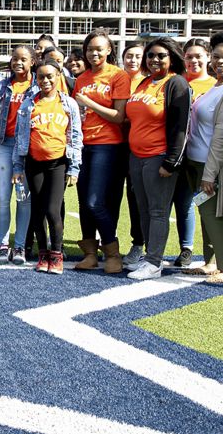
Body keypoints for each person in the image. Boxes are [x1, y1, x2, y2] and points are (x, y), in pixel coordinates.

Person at [184, 30, 223, 283]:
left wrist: (209, 174)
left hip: (219, 164)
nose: (220, 62)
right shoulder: (217, 84)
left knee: (215, 214)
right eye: (216, 57)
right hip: (199, 160)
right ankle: (211, 262)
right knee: (205, 211)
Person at [124, 37, 191, 280]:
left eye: (161, 55)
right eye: (150, 55)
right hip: (137, 156)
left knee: (158, 211)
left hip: (159, 156)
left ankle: (154, 262)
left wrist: (171, 161)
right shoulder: (143, 83)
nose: (154, 60)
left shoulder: (176, 83)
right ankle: (149, 256)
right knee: (142, 210)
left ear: (172, 57)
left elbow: (181, 126)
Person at [13, 59, 83, 275]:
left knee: (53, 211)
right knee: (37, 211)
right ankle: (42, 253)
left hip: (58, 163)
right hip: (34, 163)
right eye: (41, 76)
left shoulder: (68, 103)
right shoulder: (28, 104)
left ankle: (57, 254)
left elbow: (75, 137)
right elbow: (19, 137)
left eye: (50, 76)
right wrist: (17, 166)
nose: (45, 80)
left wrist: (74, 168)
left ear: (58, 76)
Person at [72, 29, 131, 274]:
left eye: (99, 49)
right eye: (90, 49)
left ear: (109, 50)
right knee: (84, 201)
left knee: (95, 201)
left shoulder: (118, 76)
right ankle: (89, 253)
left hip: (106, 144)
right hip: (82, 144)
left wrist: (90, 104)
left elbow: (119, 116)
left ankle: (112, 252)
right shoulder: (82, 78)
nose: (94, 53)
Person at [170, 38, 218, 267]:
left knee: (207, 206)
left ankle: (214, 256)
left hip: (204, 157)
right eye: (189, 56)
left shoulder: (215, 85)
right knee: (182, 203)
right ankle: (186, 248)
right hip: (177, 154)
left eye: (198, 56)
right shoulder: (176, 82)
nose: (193, 61)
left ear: (208, 57)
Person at [0, 45, 38, 265]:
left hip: (27, 148)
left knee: (23, 198)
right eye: (15, 59)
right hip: (4, 145)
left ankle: (19, 246)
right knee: (2, 197)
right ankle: (3, 244)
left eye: (23, 59)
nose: (18, 63)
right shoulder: (3, 85)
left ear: (32, 62)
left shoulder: (39, 85)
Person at [120, 41, 146, 266]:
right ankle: (105, 241)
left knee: (137, 198)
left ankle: (139, 243)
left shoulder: (149, 83)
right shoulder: (117, 79)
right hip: (115, 145)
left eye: (138, 56)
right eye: (129, 56)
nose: (133, 60)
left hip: (140, 147)